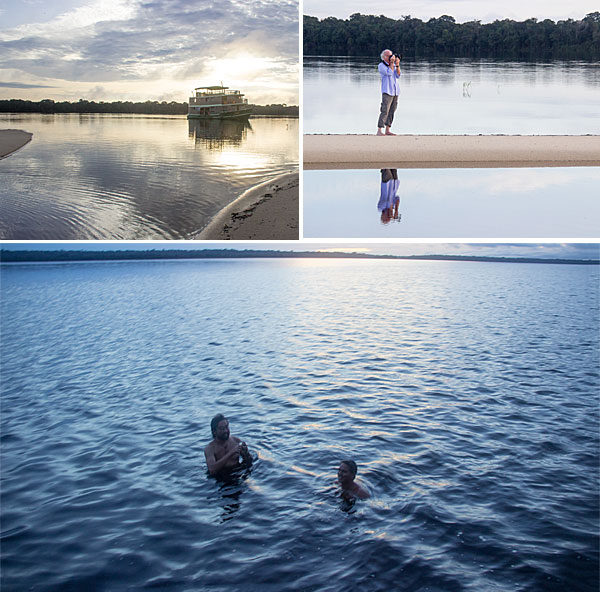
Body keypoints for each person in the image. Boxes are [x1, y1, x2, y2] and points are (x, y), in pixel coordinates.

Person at [377, 49, 401, 136]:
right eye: (388, 56)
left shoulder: (393, 65)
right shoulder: (381, 65)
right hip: (387, 90)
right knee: (385, 110)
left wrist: (397, 64)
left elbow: (398, 75)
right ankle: (379, 130)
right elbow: (389, 73)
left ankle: (388, 129)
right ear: (384, 57)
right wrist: (391, 63)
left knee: (392, 110)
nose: (391, 57)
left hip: (395, 91)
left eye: (391, 55)